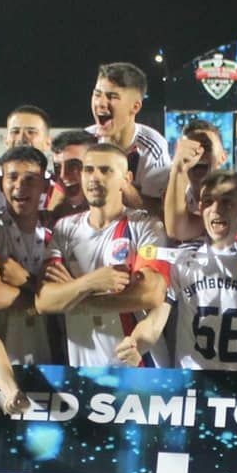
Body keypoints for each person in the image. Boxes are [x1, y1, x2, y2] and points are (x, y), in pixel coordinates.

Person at [36, 145, 170, 366]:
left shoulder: (146, 226)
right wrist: (91, 282)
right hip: (84, 366)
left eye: (105, 170)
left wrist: (72, 297)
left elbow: (151, 294)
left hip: (139, 363)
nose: (94, 177)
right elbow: (44, 301)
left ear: (126, 179)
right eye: (88, 170)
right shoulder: (64, 228)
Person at [128, 171, 237, 372]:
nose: (216, 209)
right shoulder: (183, 260)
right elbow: (157, 318)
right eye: (208, 201)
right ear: (200, 208)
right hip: (193, 380)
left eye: (227, 201)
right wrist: (136, 343)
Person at [0, 147, 62, 365]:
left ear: (45, 186)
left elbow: (71, 297)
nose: (19, 185)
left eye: (30, 179)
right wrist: (54, 302)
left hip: (51, 361)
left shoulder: (56, 232)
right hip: (0, 363)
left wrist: (26, 281)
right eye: (12, 177)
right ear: (1, 183)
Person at [88, 63, 172, 204]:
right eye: (97, 94)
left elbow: (158, 210)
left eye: (112, 96)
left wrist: (121, 184)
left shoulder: (152, 148)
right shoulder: (85, 141)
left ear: (135, 107)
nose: (101, 103)